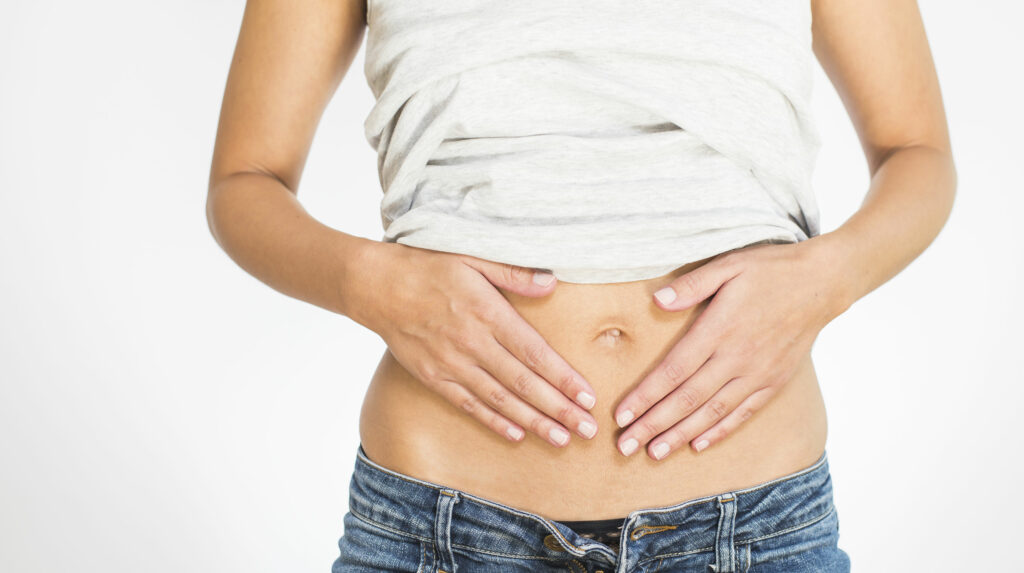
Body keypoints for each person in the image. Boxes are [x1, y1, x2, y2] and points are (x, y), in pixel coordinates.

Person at [206, 0, 956, 571]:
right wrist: (370, 282)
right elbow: (244, 183)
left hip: (752, 525)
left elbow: (917, 150)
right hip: (442, 521)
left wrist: (829, 276)